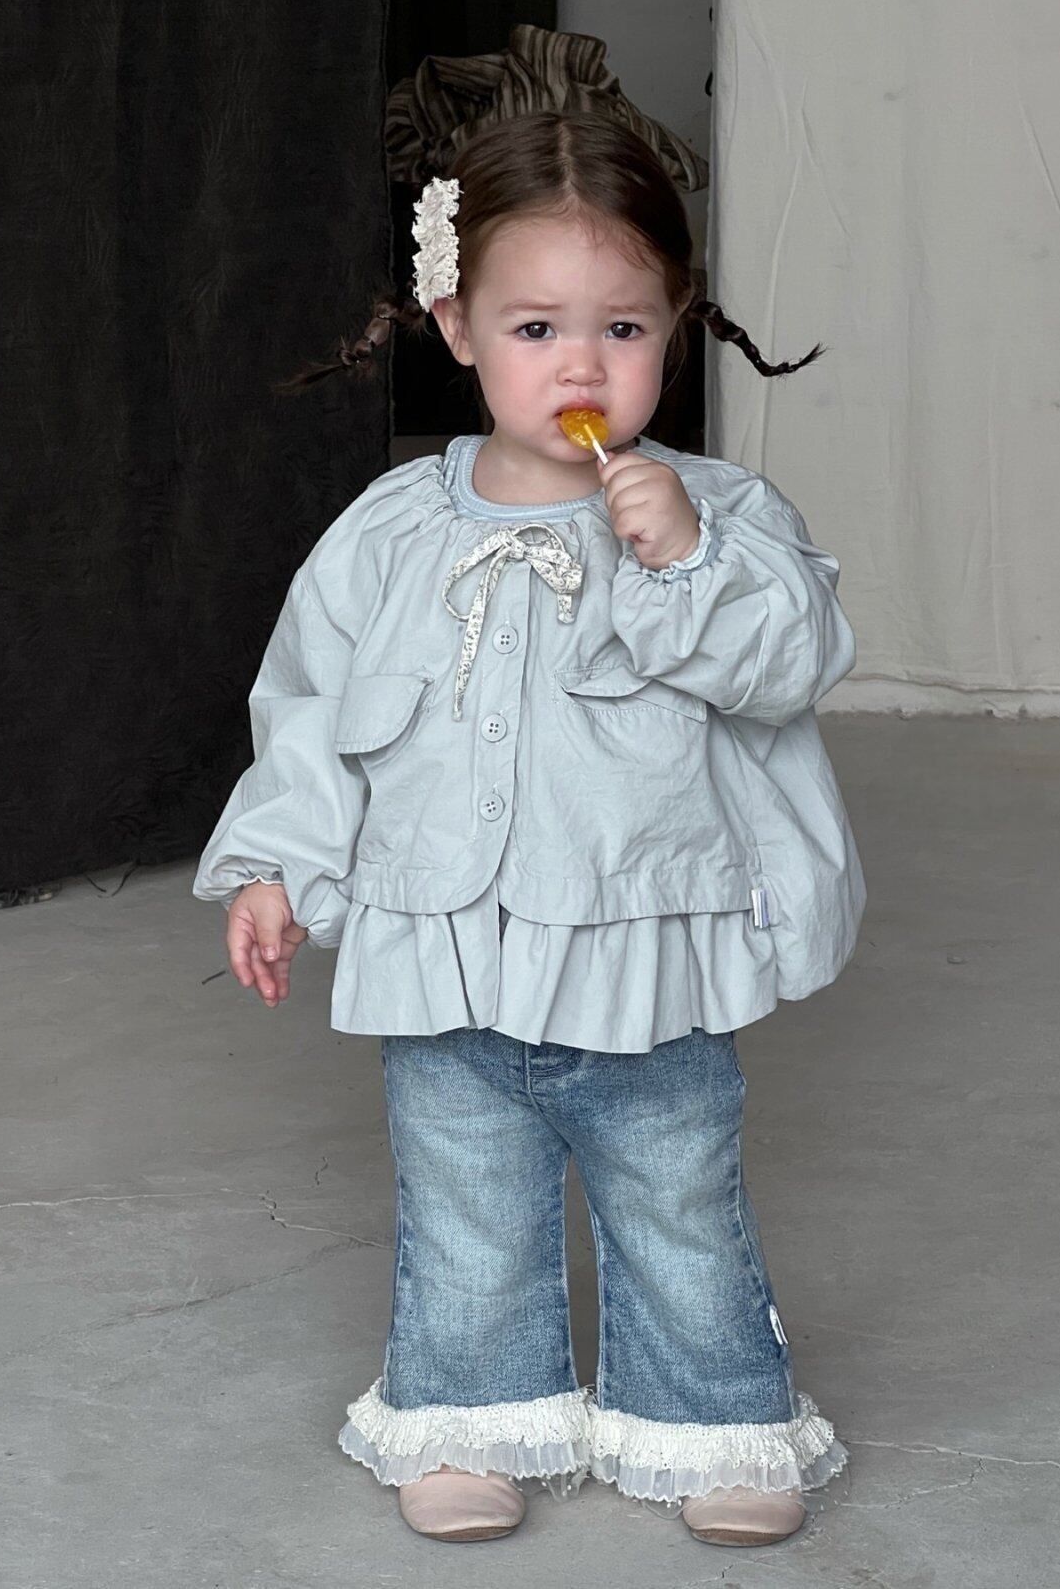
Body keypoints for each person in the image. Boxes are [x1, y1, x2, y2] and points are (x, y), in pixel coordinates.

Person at [193, 109, 865, 1548]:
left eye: (623, 328)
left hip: (647, 963)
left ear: (674, 327)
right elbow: (310, 708)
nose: (581, 367)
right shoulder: (391, 531)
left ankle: (714, 1419)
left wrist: (682, 559)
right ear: (456, 326)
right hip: (446, 954)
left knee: (678, 1199)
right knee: (467, 1209)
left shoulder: (721, 514)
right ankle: (472, 1417)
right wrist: (277, 868)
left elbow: (791, 665)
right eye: (536, 327)